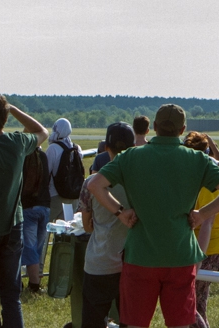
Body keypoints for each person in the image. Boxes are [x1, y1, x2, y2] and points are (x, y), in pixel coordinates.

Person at [88, 104, 219, 328]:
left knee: (136, 323)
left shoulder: (131, 156)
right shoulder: (198, 159)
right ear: (182, 130)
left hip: (141, 254)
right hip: (180, 255)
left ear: (155, 127)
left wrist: (120, 212)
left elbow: (95, 185)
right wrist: (202, 214)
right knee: (179, 323)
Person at [0, 96, 47, 328]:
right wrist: (13, 109)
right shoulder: (17, 143)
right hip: (13, 225)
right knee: (11, 295)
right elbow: (42, 131)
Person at [78, 122, 134, 328]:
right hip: (131, 262)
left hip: (99, 262)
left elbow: (87, 225)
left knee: (92, 320)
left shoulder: (91, 183)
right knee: (129, 320)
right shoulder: (137, 182)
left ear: (106, 148)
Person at [183, 131, 219, 328]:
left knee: (187, 304)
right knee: (199, 302)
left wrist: (198, 261)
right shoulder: (212, 174)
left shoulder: (207, 183)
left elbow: (208, 222)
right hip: (208, 245)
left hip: (209, 247)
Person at [19, 142, 51, 295]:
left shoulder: (23, 157)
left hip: (28, 207)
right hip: (45, 206)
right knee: (38, 247)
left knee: (29, 247)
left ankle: (33, 284)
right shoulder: (43, 156)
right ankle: (36, 280)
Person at [46, 117, 84, 220]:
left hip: (55, 194)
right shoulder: (77, 148)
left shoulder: (52, 148)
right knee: (66, 228)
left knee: (46, 227)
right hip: (73, 195)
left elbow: (46, 172)